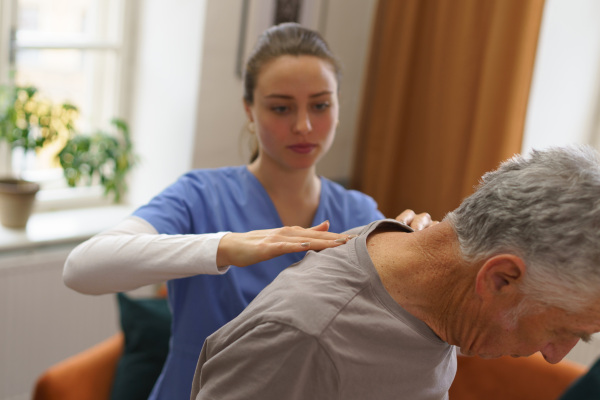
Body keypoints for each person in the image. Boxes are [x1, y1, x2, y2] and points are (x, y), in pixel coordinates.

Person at [63, 22, 431, 400]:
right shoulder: (200, 195)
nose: (304, 125)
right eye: (281, 108)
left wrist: (424, 252)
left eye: (320, 105)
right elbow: (81, 268)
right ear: (249, 110)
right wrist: (224, 247)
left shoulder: (358, 211)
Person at [190, 145, 600, 400]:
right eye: (566, 330)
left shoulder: (439, 291)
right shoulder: (306, 339)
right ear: (499, 279)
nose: (555, 355)